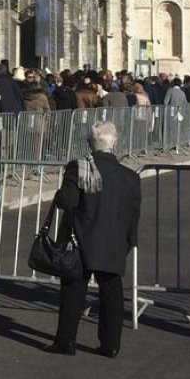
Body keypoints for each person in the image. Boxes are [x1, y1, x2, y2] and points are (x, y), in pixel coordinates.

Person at [45, 122, 140, 357]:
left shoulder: (79, 168)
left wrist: (61, 193)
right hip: (114, 239)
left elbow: (67, 201)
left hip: (80, 237)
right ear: (115, 145)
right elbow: (133, 213)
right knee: (111, 292)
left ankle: (66, 341)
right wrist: (130, 240)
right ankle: (110, 344)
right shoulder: (130, 177)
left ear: (90, 144)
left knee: (73, 291)